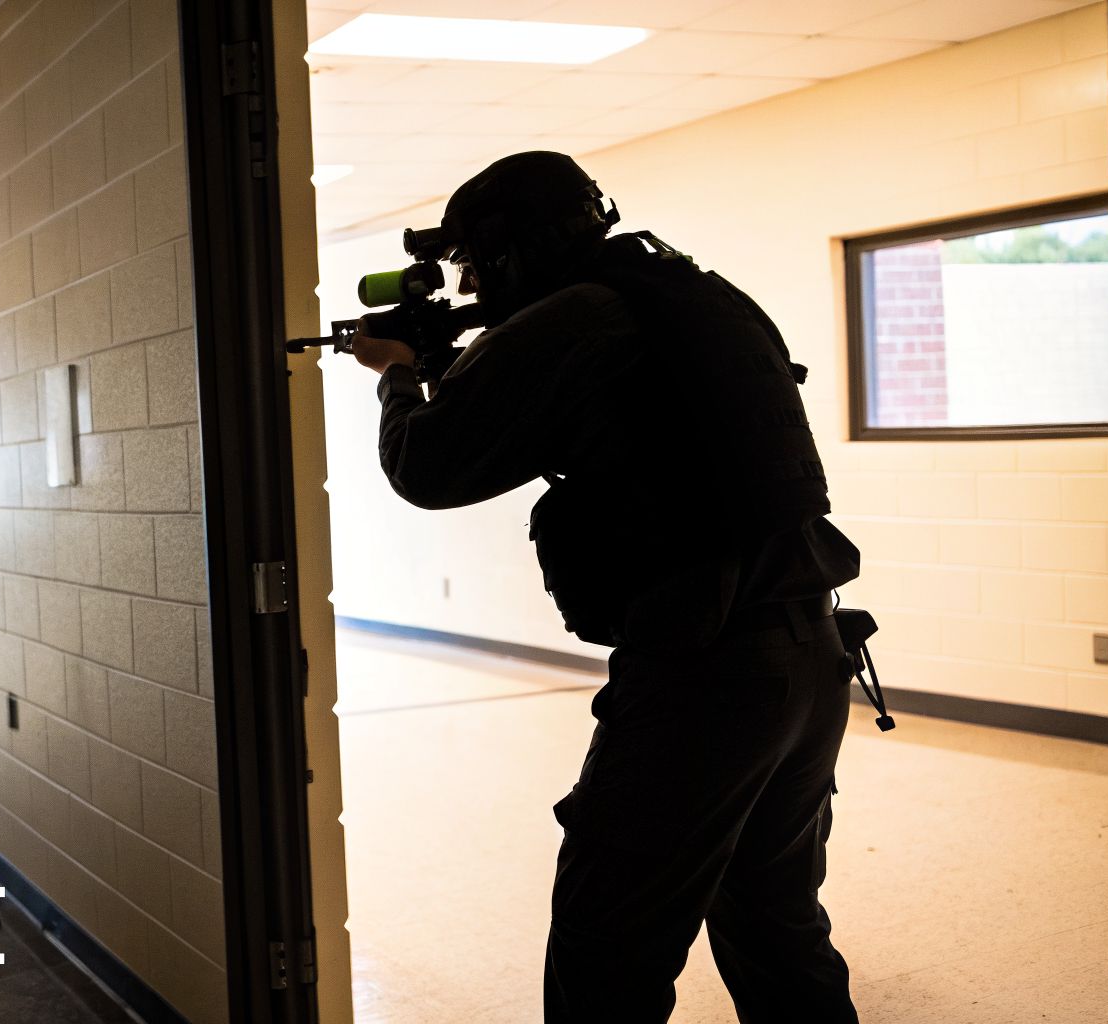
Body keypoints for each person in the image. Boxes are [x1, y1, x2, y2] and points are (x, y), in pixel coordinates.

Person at [349, 152, 863, 1023]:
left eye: (474, 264)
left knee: (606, 956)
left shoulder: (574, 317)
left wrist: (401, 371)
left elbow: (429, 465)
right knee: (777, 928)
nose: (471, 283)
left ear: (512, 252)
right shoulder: (693, 296)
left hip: (705, 680)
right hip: (813, 653)